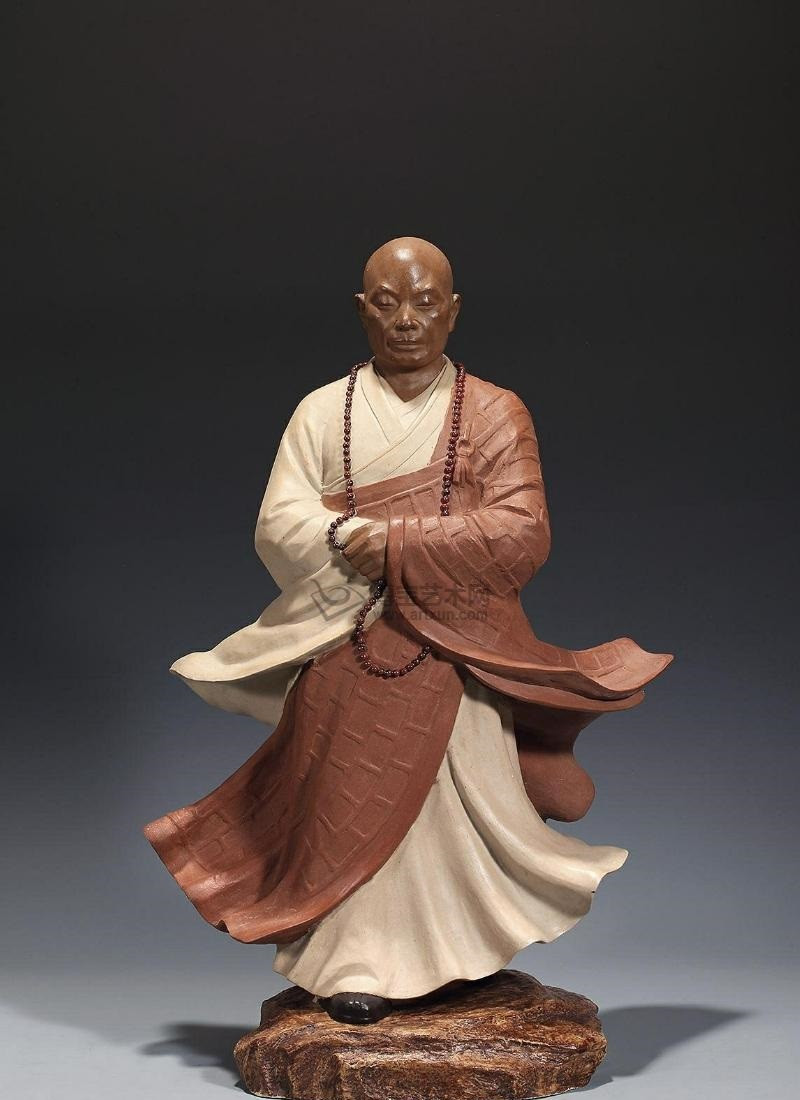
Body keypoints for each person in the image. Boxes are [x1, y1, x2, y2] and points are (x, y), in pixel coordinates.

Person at [144, 237, 671, 1024]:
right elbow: (278, 522)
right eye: (387, 304)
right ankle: (356, 955)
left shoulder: (494, 411)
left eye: (425, 303)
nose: (406, 321)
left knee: (454, 812)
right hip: (350, 645)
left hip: (459, 650)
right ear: (363, 312)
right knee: (344, 804)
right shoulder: (323, 411)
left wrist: (400, 542)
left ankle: (459, 949)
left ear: (452, 311)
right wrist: (342, 539)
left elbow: (524, 533)